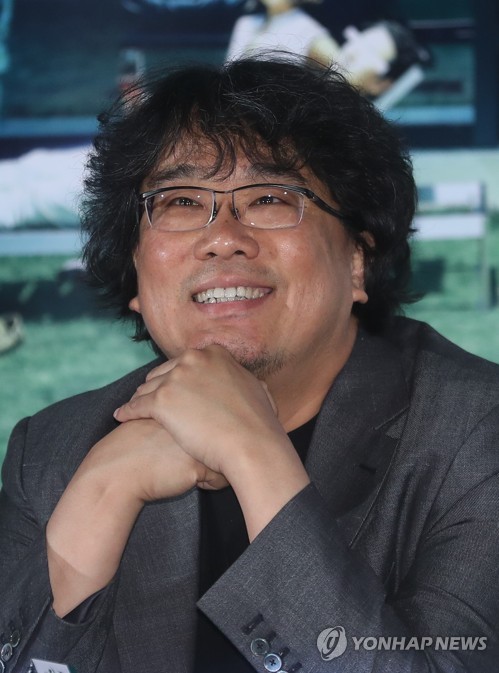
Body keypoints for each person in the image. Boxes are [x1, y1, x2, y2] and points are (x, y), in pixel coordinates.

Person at [0, 55, 498, 673]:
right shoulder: (55, 450)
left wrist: (254, 453)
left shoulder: (477, 435)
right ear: (134, 275)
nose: (223, 237)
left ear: (358, 261)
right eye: (181, 202)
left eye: (269, 198)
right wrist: (102, 492)